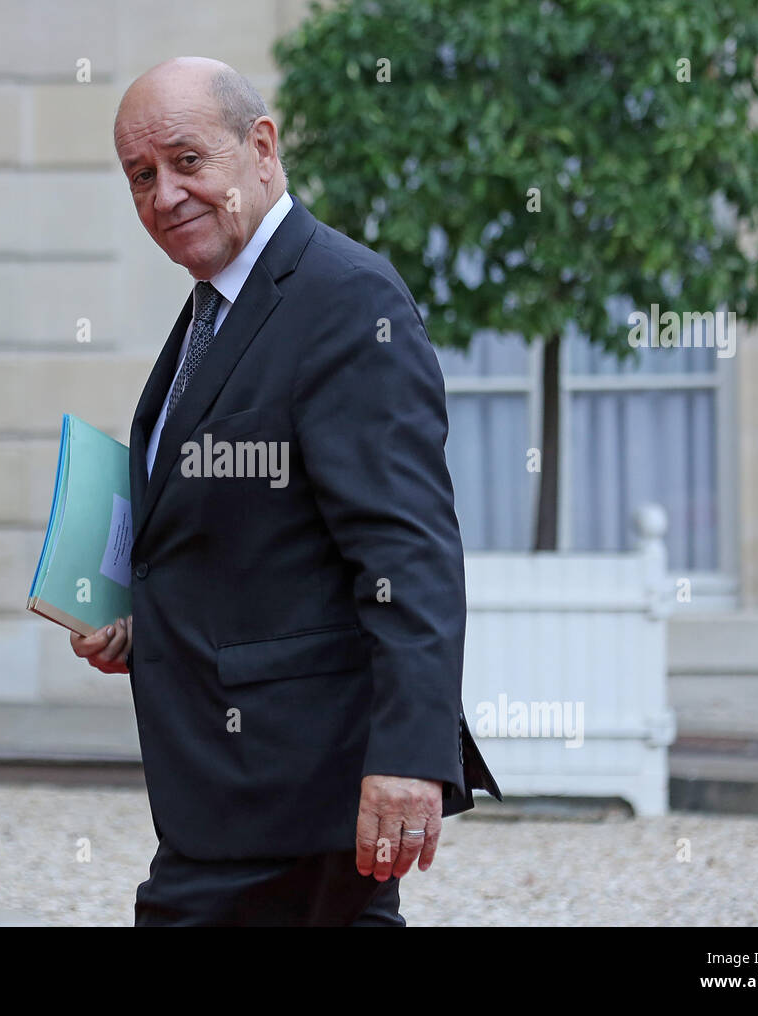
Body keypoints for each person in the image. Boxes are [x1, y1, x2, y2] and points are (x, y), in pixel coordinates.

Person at [71, 56, 501, 927]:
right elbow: (260, 540)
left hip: (294, 785)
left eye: (187, 161)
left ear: (260, 147)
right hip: (236, 788)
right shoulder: (216, 306)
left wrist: (412, 756)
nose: (164, 195)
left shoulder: (345, 298)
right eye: (141, 176)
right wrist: (148, 625)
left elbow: (407, 548)